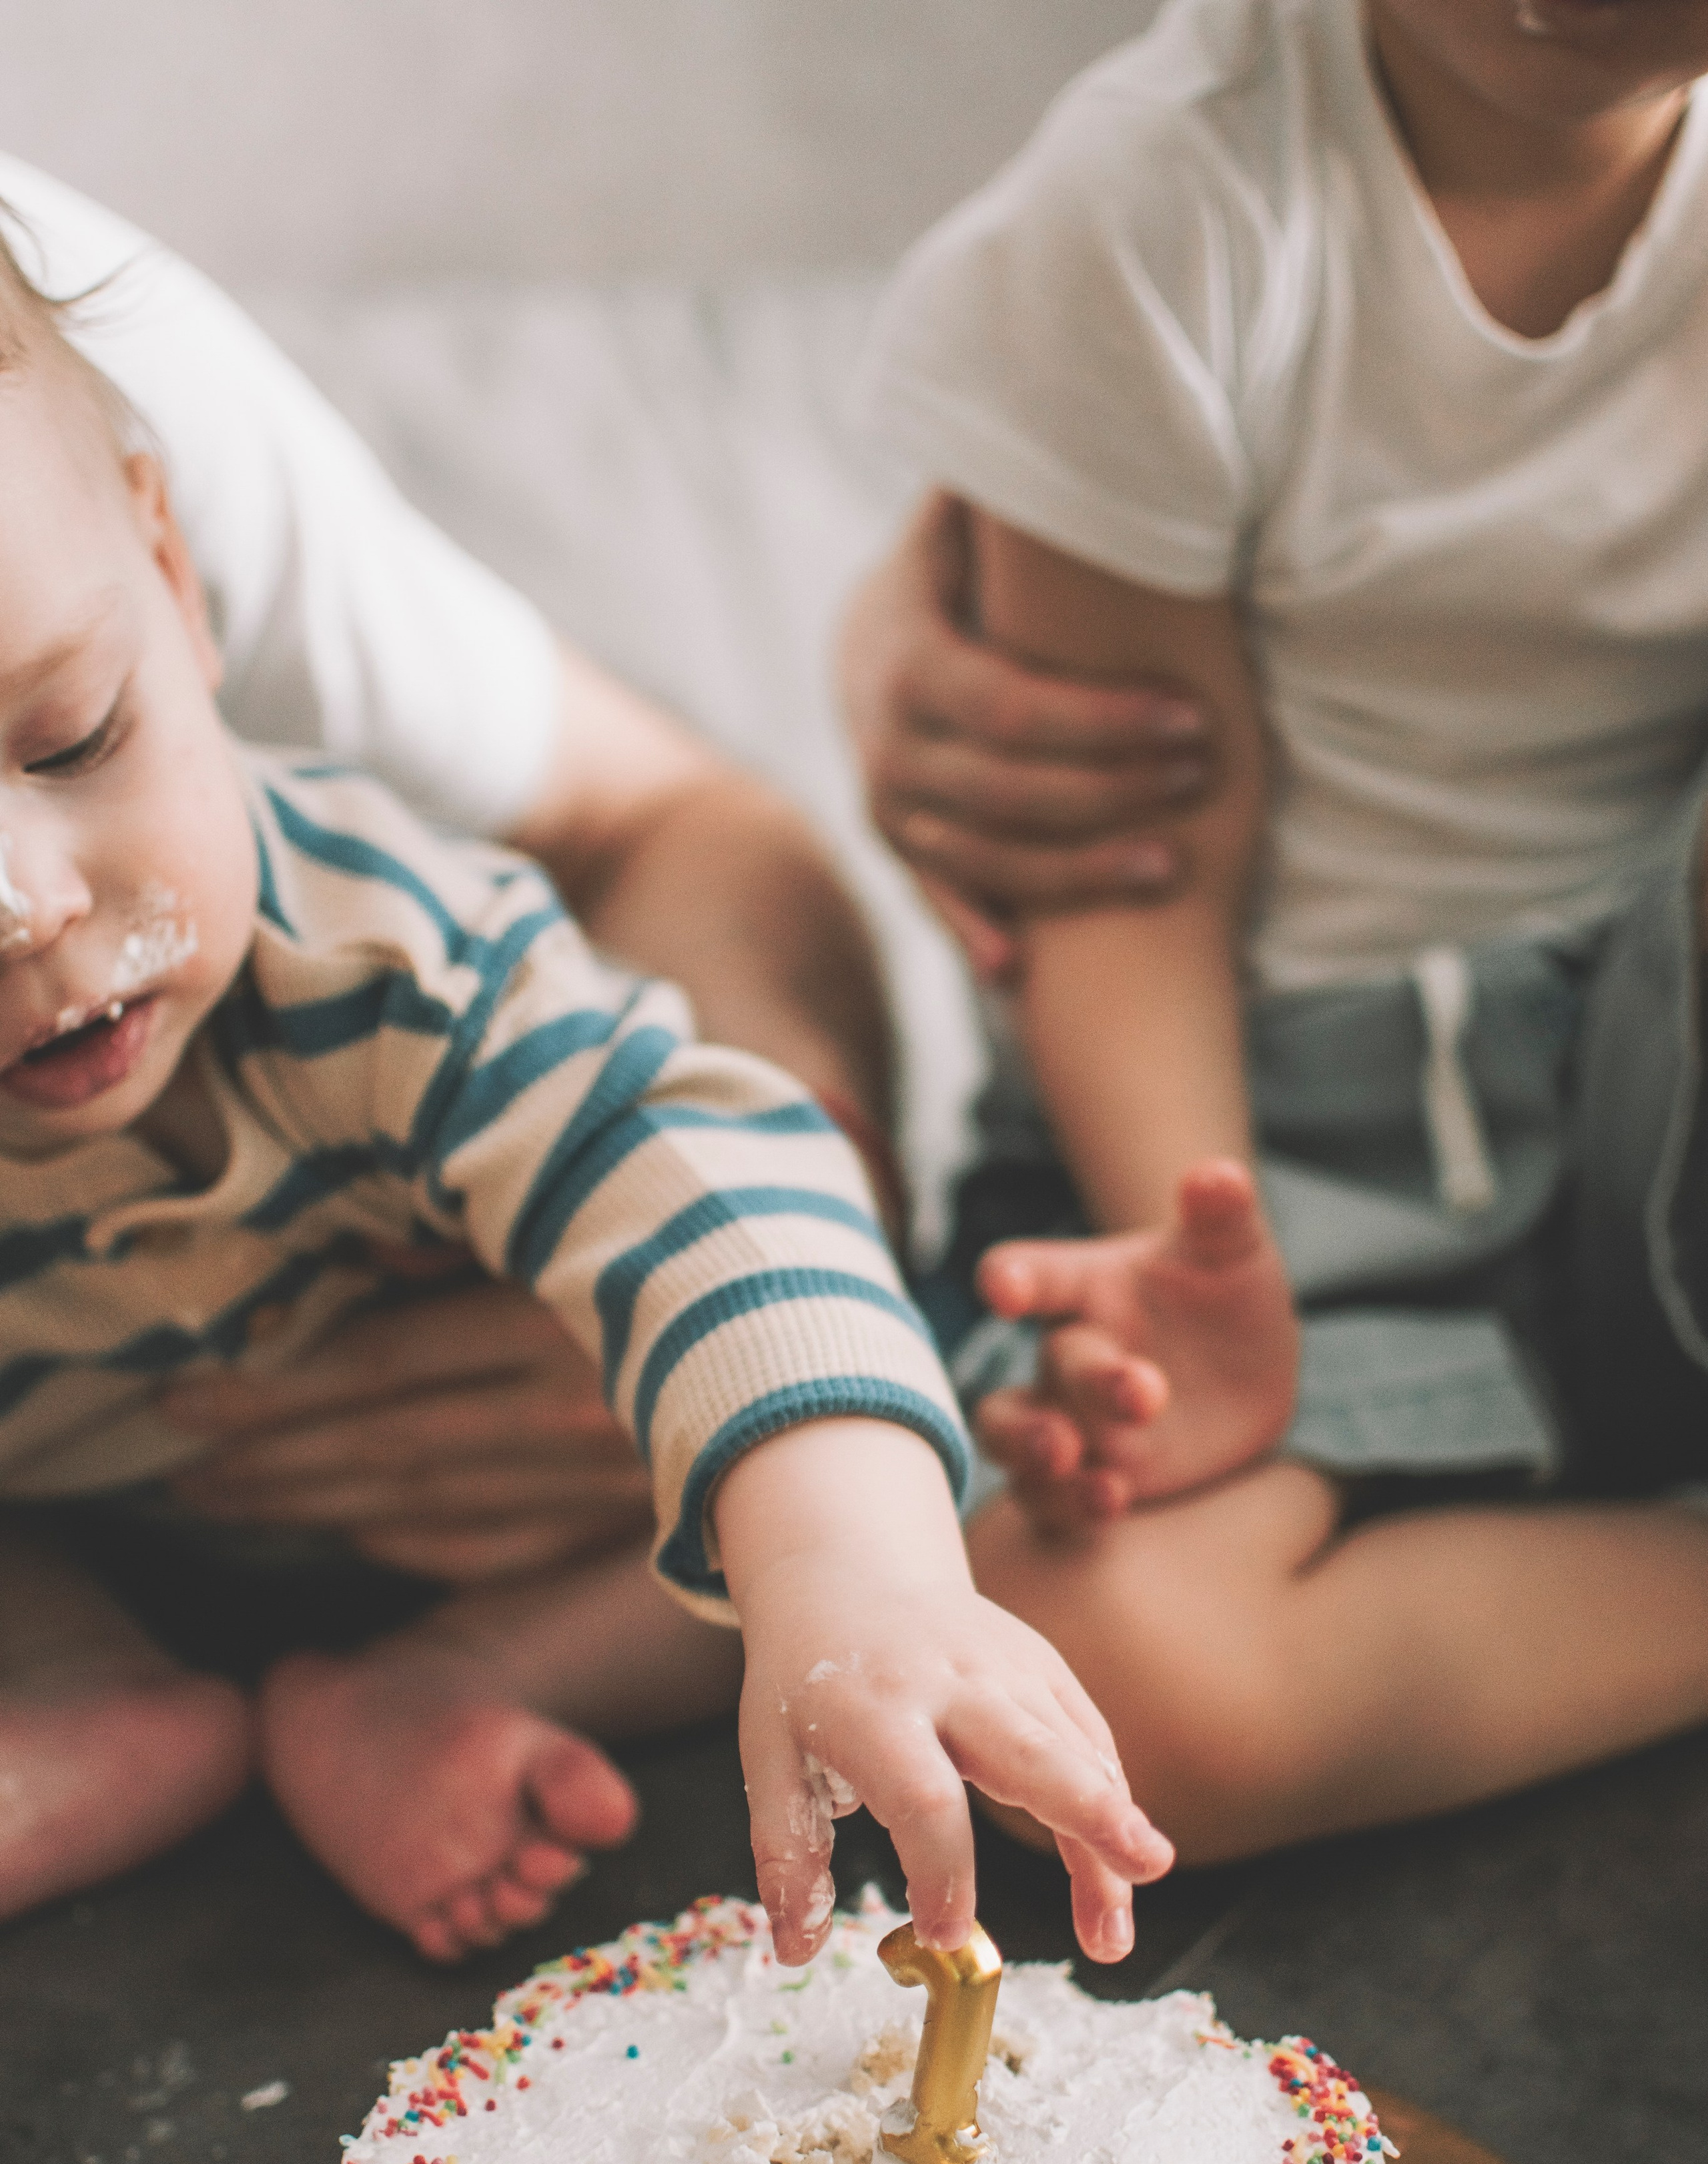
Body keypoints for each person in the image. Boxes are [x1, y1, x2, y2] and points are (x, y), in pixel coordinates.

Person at [0, 239, 1176, 1965]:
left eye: (72, 738)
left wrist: (865, 1587)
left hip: (542, 1520)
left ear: (175, 579)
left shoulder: (376, 951)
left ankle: (444, 1676)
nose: (29, 902)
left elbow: (702, 1176)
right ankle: (73, 1683)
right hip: (96, 1519)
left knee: (831, 1490)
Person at [849, 0, 1708, 1862]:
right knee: (1090, 1678)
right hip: (1269, 1122)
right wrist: (1191, 1256)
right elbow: (1121, 833)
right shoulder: (1172, 198)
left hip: (1659, 1055)